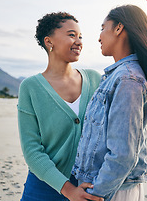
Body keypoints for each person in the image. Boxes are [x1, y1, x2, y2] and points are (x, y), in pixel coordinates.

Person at [71, 5, 147, 201]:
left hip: (111, 190)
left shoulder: (128, 79)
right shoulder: (119, 76)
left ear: (118, 28)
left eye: (102, 27)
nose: (99, 37)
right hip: (106, 186)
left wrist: (96, 193)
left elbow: (122, 155)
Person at [17, 12, 103, 201]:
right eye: (72, 35)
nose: (79, 41)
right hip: (43, 187)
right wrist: (68, 190)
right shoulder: (30, 87)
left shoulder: (95, 79)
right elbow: (32, 150)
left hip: (89, 186)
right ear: (49, 42)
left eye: (80, 37)